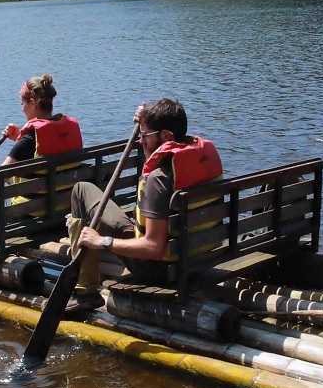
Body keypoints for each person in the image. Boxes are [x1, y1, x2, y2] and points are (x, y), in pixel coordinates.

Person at [70, 98, 224, 303]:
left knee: (81, 190)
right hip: (199, 256)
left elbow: (154, 248)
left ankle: (84, 289)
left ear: (166, 135)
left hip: (156, 268)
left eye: (145, 136)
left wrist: (100, 242)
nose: (140, 141)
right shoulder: (198, 158)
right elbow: (159, 157)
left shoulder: (158, 179)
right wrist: (145, 121)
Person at [0, 73, 83, 229]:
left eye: (23, 104)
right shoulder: (68, 128)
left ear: (33, 103)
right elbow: (45, 148)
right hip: (63, 208)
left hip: (29, 215)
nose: (22, 109)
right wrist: (19, 137)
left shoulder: (29, 139)